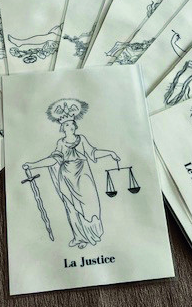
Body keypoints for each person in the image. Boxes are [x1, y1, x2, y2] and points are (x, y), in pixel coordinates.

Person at [22, 99, 120, 249]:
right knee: (71, 207)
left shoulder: (82, 140)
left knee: (90, 205)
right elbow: (53, 160)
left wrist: (110, 153)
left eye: (72, 123)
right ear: (63, 127)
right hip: (66, 177)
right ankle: (79, 237)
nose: (71, 126)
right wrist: (33, 165)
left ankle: (91, 235)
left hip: (83, 176)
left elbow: (93, 153)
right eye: (67, 124)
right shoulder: (61, 144)